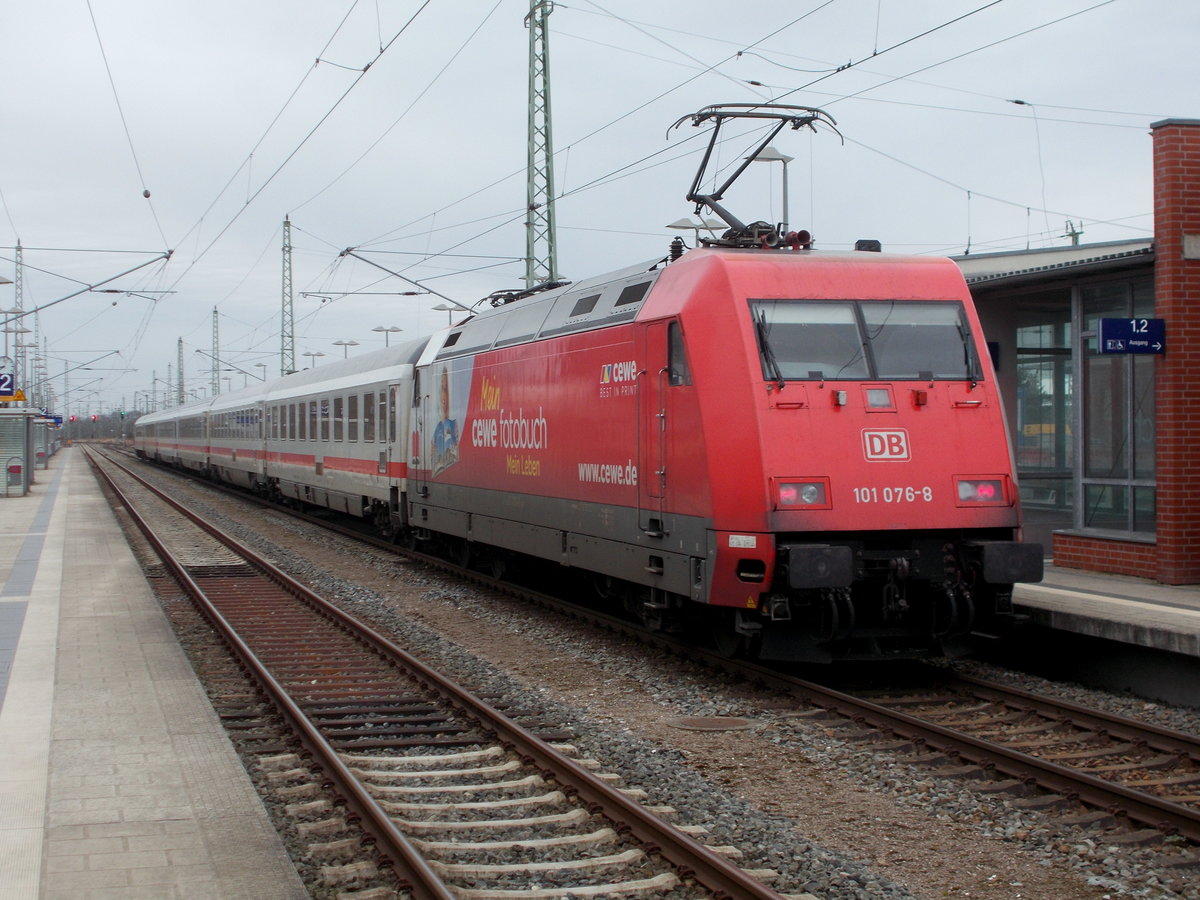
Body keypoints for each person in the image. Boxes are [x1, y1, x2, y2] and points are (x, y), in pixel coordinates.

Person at [432, 367, 458, 474]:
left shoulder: (454, 426)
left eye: (446, 388)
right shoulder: (436, 430)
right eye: (442, 388)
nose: (444, 396)